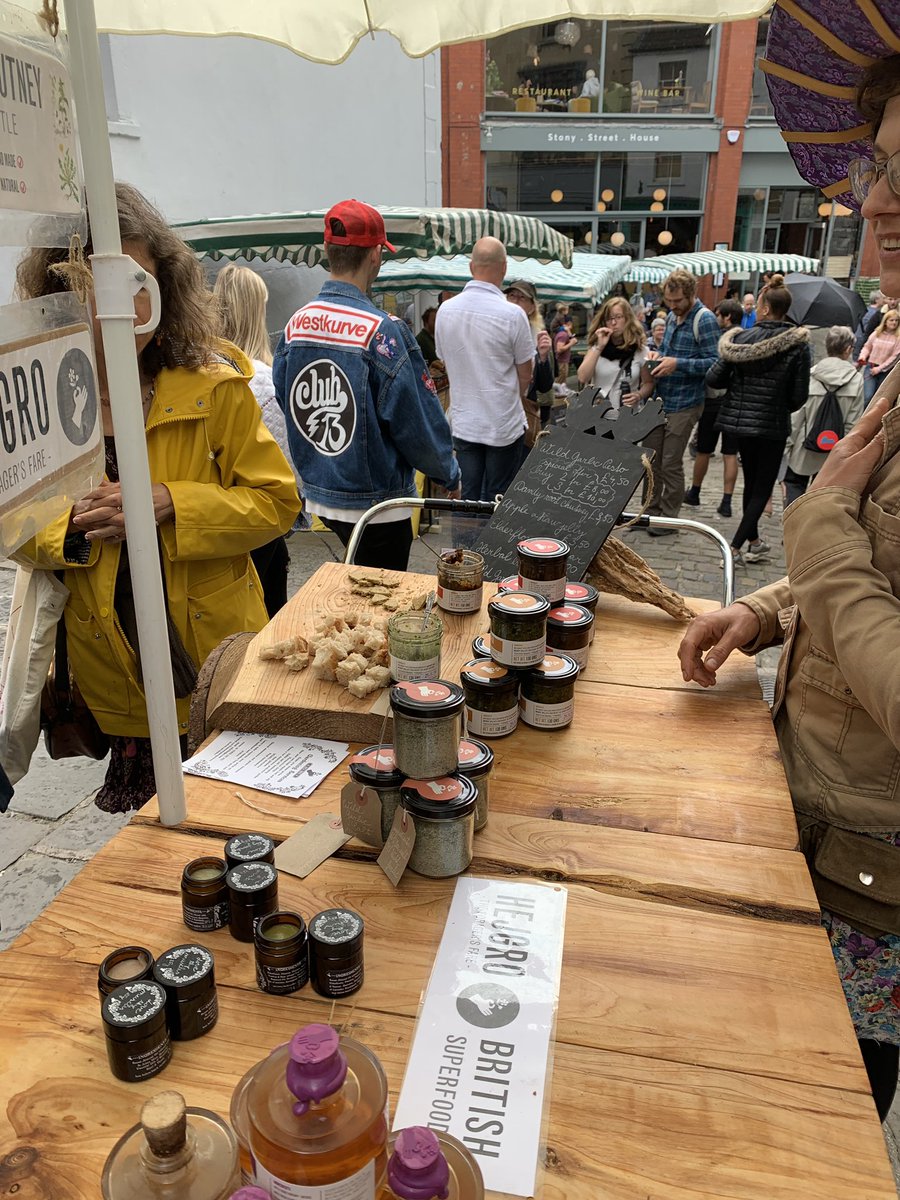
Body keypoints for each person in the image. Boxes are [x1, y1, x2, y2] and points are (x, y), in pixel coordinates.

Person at [679, 52, 900, 1124]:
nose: (878, 203)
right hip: (818, 815)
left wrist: (812, 539)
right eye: (883, 167)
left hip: (879, 876)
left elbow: (850, 561)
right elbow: (871, 577)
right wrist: (766, 611)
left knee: (816, 1126)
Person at [14, 183, 299, 812]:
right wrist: (71, 528)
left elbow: (277, 503)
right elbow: (13, 519)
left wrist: (174, 502)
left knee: (234, 811)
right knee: (157, 832)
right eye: (85, 289)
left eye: (131, 286)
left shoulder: (214, 388)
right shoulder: (40, 407)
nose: (110, 312)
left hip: (210, 653)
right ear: (55, 298)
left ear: (160, 288)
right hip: (109, 661)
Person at [273, 200, 460, 570]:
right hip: (377, 503)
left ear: (328, 251)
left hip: (321, 492)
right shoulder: (382, 332)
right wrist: (447, 472)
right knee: (380, 597)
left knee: (353, 581)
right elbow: (416, 420)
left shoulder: (296, 324)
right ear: (376, 255)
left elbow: (287, 397)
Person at [214, 264, 302, 617]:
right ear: (256, 311)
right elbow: (283, 466)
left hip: (215, 523)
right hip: (257, 523)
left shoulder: (200, 370)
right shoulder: (263, 380)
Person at [706, 274, 810, 562]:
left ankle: (753, 540)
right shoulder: (798, 345)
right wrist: (777, 405)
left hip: (740, 423)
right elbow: (799, 396)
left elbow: (714, 378)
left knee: (752, 483)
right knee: (762, 487)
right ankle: (735, 547)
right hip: (773, 425)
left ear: (763, 308)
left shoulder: (739, 339)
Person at [435, 236, 535, 500]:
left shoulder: (445, 311)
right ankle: (491, 543)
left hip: (465, 420)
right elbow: (526, 373)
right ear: (504, 268)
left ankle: (464, 542)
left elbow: (445, 360)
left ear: (471, 267)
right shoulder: (514, 315)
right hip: (503, 421)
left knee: (468, 496)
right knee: (498, 497)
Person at [642, 269, 720, 534]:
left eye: (678, 301)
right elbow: (668, 352)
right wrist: (658, 355)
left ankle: (668, 518)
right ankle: (648, 513)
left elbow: (715, 362)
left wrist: (678, 364)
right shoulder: (674, 318)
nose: (673, 306)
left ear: (691, 295)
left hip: (686, 402)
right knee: (650, 459)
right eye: (669, 301)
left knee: (671, 462)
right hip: (661, 399)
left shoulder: (704, 319)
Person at [784, 325, 864, 505]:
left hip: (804, 447)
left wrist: (788, 446)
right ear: (848, 349)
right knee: (821, 497)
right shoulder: (856, 379)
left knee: (795, 486)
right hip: (833, 452)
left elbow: (797, 417)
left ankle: (793, 524)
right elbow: (854, 422)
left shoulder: (812, 374)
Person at [683, 298, 742, 517]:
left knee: (704, 450)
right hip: (736, 404)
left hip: (714, 400)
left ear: (726, 317)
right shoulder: (747, 339)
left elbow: (714, 372)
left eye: (718, 315)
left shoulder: (721, 339)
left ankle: (695, 492)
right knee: (730, 453)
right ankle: (726, 501)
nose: (716, 319)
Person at [576, 295, 654, 410]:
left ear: (627, 319)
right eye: (609, 318)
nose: (613, 322)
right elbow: (582, 377)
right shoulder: (596, 346)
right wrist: (599, 347)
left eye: (618, 317)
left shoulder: (640, 350)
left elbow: (648, 383)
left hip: (627, 417)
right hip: (599, 416)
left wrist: (639, 395)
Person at [504, 279, 555, 440]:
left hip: (524, 413)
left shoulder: (538, 336)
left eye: (522, 297)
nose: (516, 300)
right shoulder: (495, 328)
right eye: (512, 295)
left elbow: (545, 385)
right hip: (496, 410)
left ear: (532, 307)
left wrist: (543, 357)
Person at [858, 307, 900, 406]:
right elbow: (867, 347)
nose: (894, 323)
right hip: (871, 367)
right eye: (891, 320)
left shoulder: (898, 338)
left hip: (885, 371)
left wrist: (880, 369)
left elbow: (894, 357)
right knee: (868, 396)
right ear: (885, 321)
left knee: (879, 399)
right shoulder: (877, 333)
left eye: (896, 321)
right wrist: (862, 356)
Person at [553, 317, 577, 384]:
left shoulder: (564, 333)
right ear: (569, 323)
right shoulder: (563, 334)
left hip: (564, 361)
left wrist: (569, 332)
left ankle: (562, 394)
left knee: (563, 381)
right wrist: (571, 343)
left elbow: (574, 340)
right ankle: (559, 394)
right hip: (562, 362)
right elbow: (559, 349)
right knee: (561, 380)